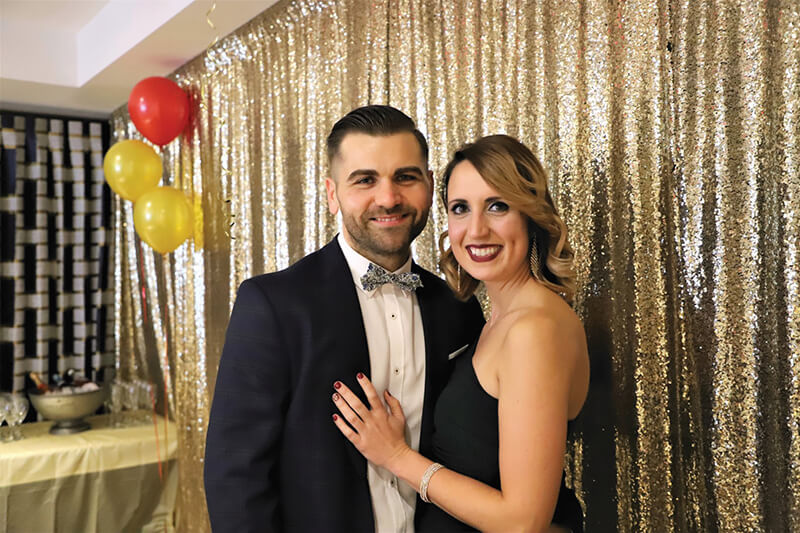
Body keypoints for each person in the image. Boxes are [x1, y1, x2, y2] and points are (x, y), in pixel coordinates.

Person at [204, 105, 485, 532]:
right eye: (365, 180)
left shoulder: (458, 306)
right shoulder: (273, 305)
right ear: (332, 194)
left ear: (429, 187)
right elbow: (235, 479)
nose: (388, 198)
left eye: (405, 177)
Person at [330, 134, 590, 532]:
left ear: (530, 214)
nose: (476, 230)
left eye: (497, 206)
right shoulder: (493, 318)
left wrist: (397, 457)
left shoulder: (534, 330)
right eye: (460, 209)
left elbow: (523, 521)